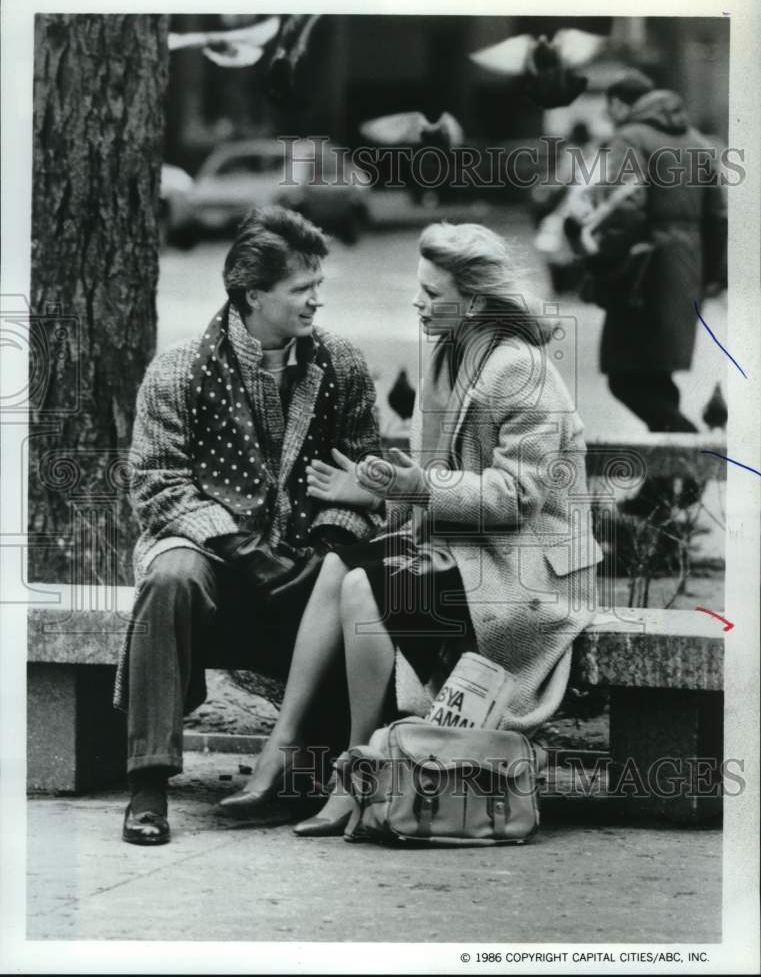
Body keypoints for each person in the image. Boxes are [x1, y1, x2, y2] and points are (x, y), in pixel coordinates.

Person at [226, 221, 604, 836]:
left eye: (432, 294)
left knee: (364, 587)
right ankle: (284, 746)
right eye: (419, 290)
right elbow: (427, 490)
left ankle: (357, 775)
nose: (418, 303)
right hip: (469, 553)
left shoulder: (518, 369)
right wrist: (378, 490)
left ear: (474, 301)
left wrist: (412, 487)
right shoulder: (451, 356)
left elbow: (520, 496)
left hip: (525, 574)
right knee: (339, 565)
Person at [115, 206, 383, 845]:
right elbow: (157, 486)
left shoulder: (339, 365)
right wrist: (241, 549)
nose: (316, 301)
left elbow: (363, 476)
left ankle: (305, 775)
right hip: (211, 562)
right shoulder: (177, 370)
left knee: (348, 586)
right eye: (301, 289)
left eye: (318, 286)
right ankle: (148, 787)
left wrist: (326, 546)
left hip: (304, 569)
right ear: (253, 293)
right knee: (168, 581)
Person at [583, 71, 727, 434]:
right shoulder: (698, 143)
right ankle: (663, 486)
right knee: (658, 378)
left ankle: (690, 453)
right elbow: (718, 217)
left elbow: (623, 207)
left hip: (643, 276)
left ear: (619, 104)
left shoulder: (629, 138)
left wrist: (603, 262)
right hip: (687, 273)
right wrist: (711, 276)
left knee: (625, 378)